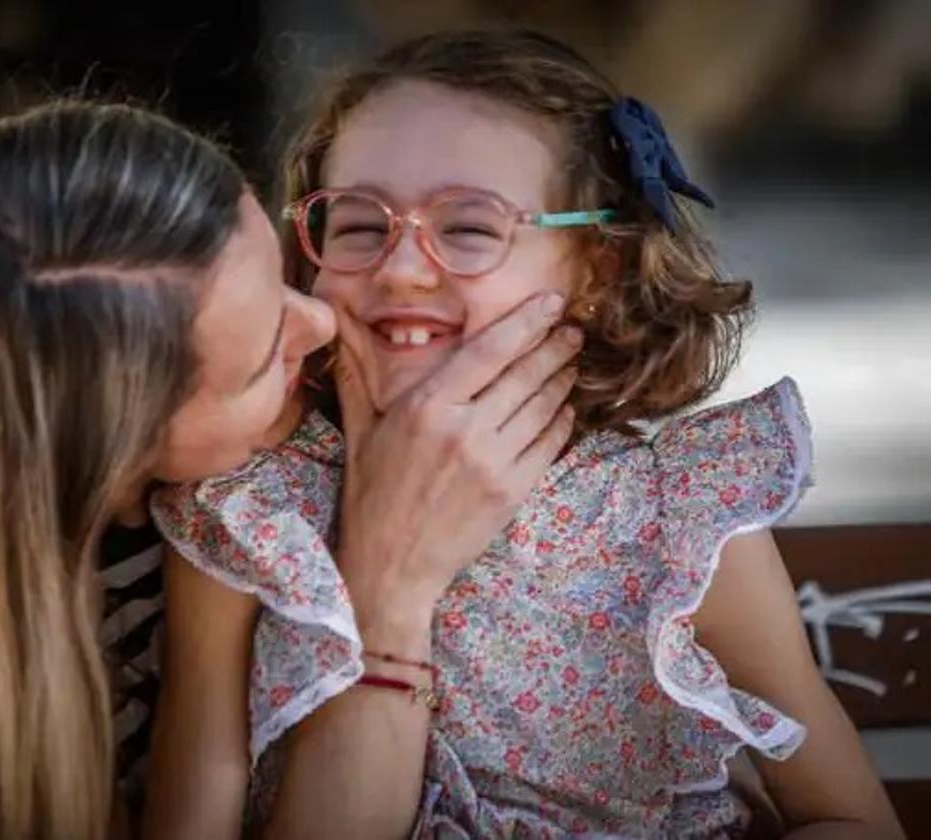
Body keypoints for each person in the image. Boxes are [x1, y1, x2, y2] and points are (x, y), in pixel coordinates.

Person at [0, 98, 576, 838]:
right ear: (107, 459)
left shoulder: (197, 518)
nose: (319, 322)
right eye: (256, 365)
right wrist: (390, 599)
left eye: (275, 268)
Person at [146, 30, 904, 839]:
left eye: (470, 228)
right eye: (359, 226)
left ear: (596, 270)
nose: (402, 268)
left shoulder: (677, 522)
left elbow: (846, 818)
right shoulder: (249, 514)